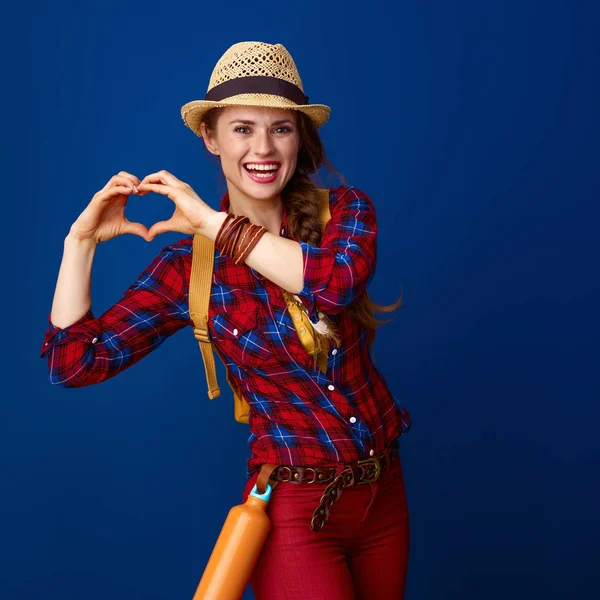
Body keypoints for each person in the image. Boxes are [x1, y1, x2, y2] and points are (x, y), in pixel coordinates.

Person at [40, 41, 412, 599]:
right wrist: (80, 244)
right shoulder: (189, 272)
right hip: (294, 513)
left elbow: (332, 284)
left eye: (280, 129)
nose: (263, 148)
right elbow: (73, 363)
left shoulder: (346, 211)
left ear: (299, 138)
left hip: (384, 496)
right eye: (242, 129)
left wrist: (215, 223)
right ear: (211, 139)